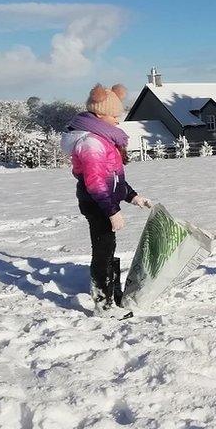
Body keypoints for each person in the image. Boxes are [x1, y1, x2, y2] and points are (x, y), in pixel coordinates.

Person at [61, 83, 151, 318]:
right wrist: (111, 211)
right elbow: (96, 183)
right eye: (114, 115)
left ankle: (113, 294)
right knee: (102, 250)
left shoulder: (104, 139)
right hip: (96, 203)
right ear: (100, 114)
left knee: (108, 247)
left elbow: (113, 178)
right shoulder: (91, 143)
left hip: (104, 202)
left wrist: (133, 196)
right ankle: (104, 304)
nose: (117, 120)